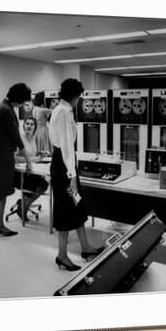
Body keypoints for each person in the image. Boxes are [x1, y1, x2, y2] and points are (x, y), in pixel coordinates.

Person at [48, 78, 103, 271]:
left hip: (65, 165)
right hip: (65, 167)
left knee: (77, 204)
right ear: (75, 96)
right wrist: (72, 176)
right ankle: (62, 256)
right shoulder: (63, 112)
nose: (79, 100)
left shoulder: (60, 110)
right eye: (79, 96)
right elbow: (66, 147)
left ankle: (86, 247)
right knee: (66, 208)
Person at [0, 83, 33, 237]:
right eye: (23, 101)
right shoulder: (6, 110)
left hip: (2, 152)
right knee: (2, 191)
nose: (23, 104)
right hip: (4, 153)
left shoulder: (4, 106)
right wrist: (28, 161)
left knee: (2, 190)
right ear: (18, 98)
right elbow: (16, 137)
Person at [13, 116, 49, 220]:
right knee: (41, 183)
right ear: (23, 125)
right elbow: (16, 159)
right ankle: (23, 208)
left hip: (31, 171)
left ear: (35, 127)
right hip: (20, 174)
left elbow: (32, 154)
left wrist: (40, 153)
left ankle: (23, 205)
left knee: (45, 182)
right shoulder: (19, 138)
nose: (29, 126)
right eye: (27, 123)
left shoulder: (33, 138)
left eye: (32, 124)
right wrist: (34, 159)